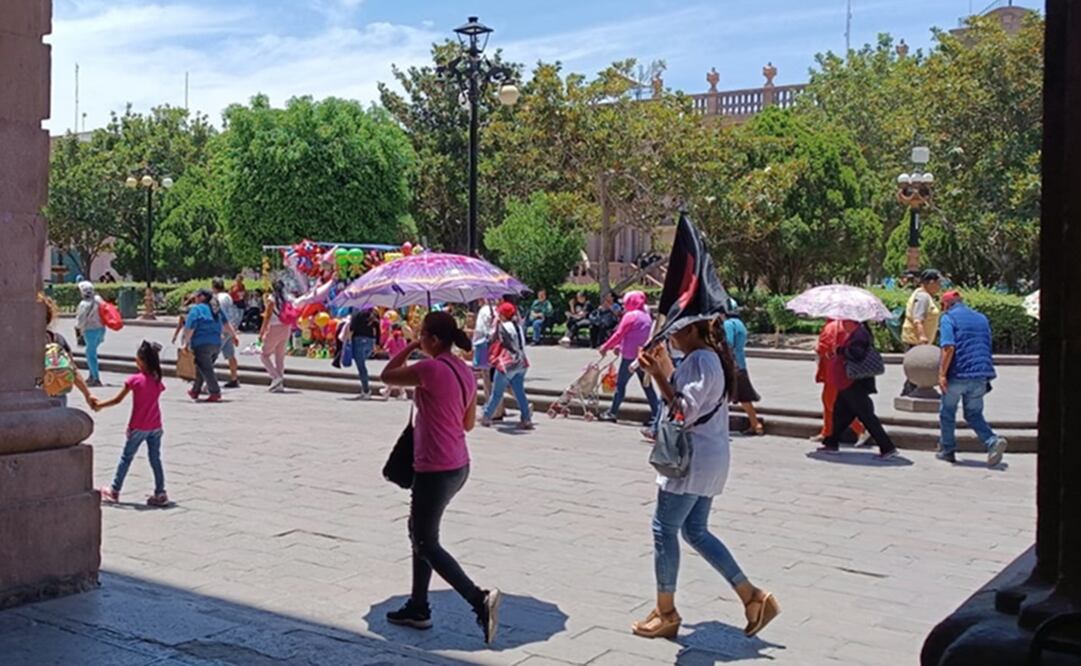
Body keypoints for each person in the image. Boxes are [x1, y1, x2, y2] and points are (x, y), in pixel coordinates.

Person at [633, 317, 779, 640]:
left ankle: (666, 611)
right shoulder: (709, 358)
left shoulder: (701, 359)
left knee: (664, 529)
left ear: (691, 330)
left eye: (676, 330)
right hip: (710, 454)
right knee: (695, 530)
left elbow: (682, 409)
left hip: (692, 460)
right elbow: (691, 397)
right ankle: (752, 596)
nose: (671, 336)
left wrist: (657, 375)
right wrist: (665, 368)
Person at [379, 311, 502, 644]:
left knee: (425, 540)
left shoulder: (429, 368)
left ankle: (479, 600)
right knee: (419, 531)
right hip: (458, 464)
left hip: (435, 467)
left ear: (432, 338)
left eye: (423, 335)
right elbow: (468, 424)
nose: (420, 339)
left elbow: (387, 375)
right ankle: (419, 607)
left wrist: (409, 347)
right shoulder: (463, 369)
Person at [936, 290, 1008, 466]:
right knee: (974, 413)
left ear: (946, 304)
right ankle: (992, 441)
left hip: (958, 374)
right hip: (981, 374)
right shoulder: (981, 318)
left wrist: (942, 374)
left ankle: (948, 450)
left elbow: (948, 347)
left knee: (947, 413)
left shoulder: (948, 318)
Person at [95, 341, 169, 507]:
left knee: (126, 458)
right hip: (156, 426)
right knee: (155, 458)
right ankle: (161, 492)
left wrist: (99, 405)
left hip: (139, 426)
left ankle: (114, 490)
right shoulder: (157, 380)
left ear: (142, 361)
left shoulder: (134, 380)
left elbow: (117, 400)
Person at [816, 321, 898, 459]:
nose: (842, 321)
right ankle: (831, 442)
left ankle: (887, 447)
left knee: (865, 414)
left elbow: (857, 354)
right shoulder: (855, 332)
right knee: (840, 411)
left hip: (856, 380)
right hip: (847, 379)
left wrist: (840, 349)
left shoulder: (860, 333)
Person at [598, 291, 659, 424]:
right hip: (643, 356)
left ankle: (612, 412)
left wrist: (605, 346)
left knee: (620, 384)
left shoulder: (630, 315)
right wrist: (619, 346)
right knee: (647, 386)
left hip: (630, 356)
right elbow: (637, 335)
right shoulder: (646, 316)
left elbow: (619, 334)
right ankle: (656, 414)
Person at [811, 319, 869, 447]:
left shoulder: (838, 325)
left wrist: (820, 349)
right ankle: (827, 431)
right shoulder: (845, 325)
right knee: (827, 400)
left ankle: (860, 428)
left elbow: (825, 346)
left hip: (835, 369)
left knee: (832, 402)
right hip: (835, 368)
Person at [481, 302, 533, 429]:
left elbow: (492, 340)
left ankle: (487, 416)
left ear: (503, 315)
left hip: (507, 364)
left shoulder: (503, 327)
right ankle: (526, 419)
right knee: (519, 391)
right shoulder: (518, 326)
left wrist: (494, 324)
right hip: (521, 363)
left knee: (497, 392)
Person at [183, 289, 238, 403]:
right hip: (216, 344)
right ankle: (195, 390)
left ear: (202, 297)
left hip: (201, 343)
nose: (195, 298)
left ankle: (215, 392)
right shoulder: (216, 310)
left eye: (197, 296)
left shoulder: (196, 310)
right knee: (202, 367)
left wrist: (186, 343)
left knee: (206, 369)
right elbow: (226, 323)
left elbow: (190, 328)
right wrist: (234, 336)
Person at [41, 294, 95, 408]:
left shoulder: (24, 342)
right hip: (58, 393)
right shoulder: (57, 339)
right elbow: (72, 370)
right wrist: (87, 395)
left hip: (36, 395)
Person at [721, 310, 764, 436]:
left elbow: (728, 343)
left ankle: (756, 424)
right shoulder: (740, 323)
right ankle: (755, 424)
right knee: (743, 395)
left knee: (740, 395)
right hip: (740, 362)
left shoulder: (728, 324)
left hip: (732, 364)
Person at [901, 269, 944, 395]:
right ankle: (909, 395)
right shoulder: (923, 297)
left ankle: (908, 394)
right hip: (916, 341)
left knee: (914, 374)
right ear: (931, 282)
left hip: (917, 340)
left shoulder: (922, 295)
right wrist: (922, 336)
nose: (940, 286)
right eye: (939, 283)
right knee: (917, 371)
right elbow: (918, 319)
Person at [469, 299, 504, 420]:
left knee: (487, 380)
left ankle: (492, 410)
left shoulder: (484, 310)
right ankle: (499, 408)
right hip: (498, 349)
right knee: (497, 379)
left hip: (486, 347)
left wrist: (473, 345)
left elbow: (480, 330)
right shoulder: (499, 310)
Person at [259, 280, 293, 393]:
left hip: (274, 327)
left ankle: (275, 377)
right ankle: (279, 383)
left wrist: (262, 331)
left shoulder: (271, 299)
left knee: (264, 355)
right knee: (280, 357)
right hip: (286, 327)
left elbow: (267, 316)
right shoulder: (288, 297)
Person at [212, 278, 243, 389]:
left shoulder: (216, 298)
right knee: (230, 355)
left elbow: (220, 314)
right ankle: (234, 378)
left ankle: (208, 381)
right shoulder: (227, 296)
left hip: (221, 328)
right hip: (231, 327)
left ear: (214, 287)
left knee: (211, 355)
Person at [75, 281, 106, 386]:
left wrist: (79, 329)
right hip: (101, 329)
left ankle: (96, 378)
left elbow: (81, 320)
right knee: (92, 352)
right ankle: (91, 375)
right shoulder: (98, 300)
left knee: (90, 355)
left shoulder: (84, 304)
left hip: (90, 330)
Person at [349, 308, 380, 399]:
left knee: (361, 366)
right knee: (363, 364)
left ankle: (366, 390)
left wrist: (348, 342)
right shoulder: (374, 314)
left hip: (358, 340)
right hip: (370, 341)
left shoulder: (357, 313)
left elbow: (352, 328)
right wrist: (377, 343)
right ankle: (365, 390)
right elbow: (378, 329)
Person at [382, 323, 410, 400]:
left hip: (392, 361)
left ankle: (387, 391)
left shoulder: (390, 339)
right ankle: (402, 393)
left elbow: (385, 348)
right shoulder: (403, 340)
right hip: (401, 361)